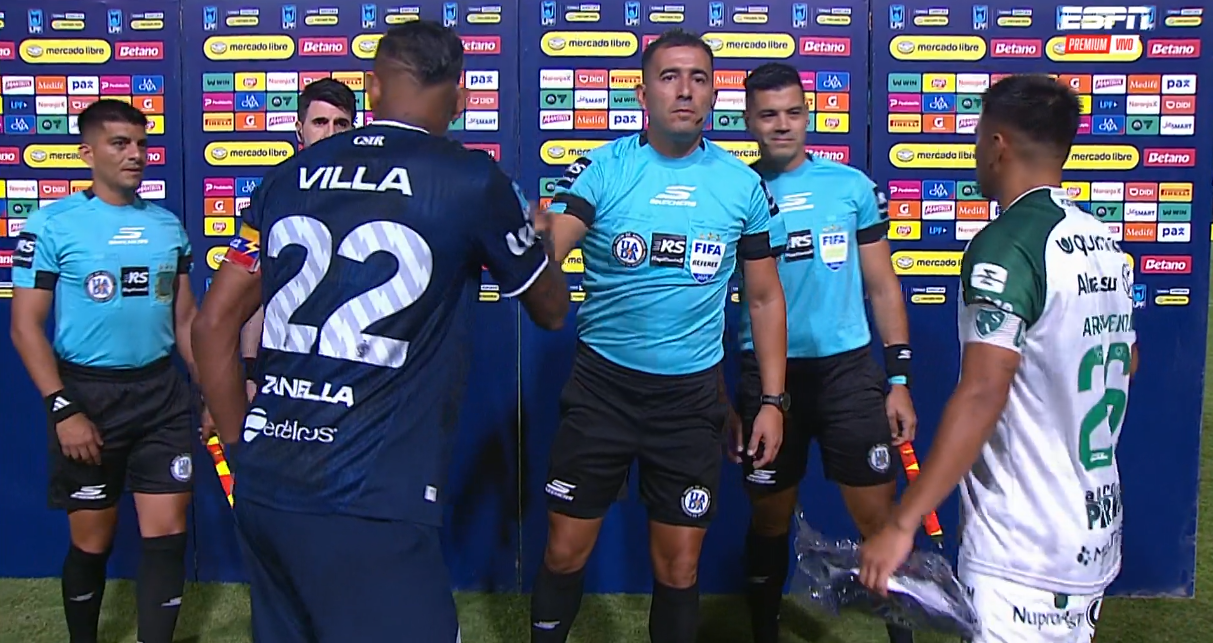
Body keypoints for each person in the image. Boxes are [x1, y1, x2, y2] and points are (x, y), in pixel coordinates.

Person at [190, 20, 568, 643]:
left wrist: (240, 450)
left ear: (371, 88)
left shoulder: (288, 177)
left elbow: (211, 326)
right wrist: (542, 241)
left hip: (268, 483)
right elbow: (550, 308)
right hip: (372, 496)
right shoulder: (473, 180)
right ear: (462, 95)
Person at [529, 29, 789, 643]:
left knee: (680, 567)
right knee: (564, 551)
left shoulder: (741, 185)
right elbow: (553, 249)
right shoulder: (602, 168)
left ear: (714, 94)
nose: (685, 90)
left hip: (689, 402)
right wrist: (539, 240)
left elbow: (764, 298)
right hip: (602, 391)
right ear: (644, 93)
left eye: (699, 78)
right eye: (670, 77)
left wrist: (773, 401)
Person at [859, 74, 1137, 643]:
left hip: (1023, 544)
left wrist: (904, 522)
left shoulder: (1007, 245)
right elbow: (1128, 361)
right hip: (1094, 525)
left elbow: (984, 391)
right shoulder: (1103, 241)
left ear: (997, 144)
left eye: (977, 135)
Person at [733, 62, 919, 643]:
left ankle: (902, 636)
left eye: (793, 112)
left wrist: (899, 378)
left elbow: (883, 285)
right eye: (768, 115)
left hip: (847, 374)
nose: (782, 125)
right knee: (769, 517)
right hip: (768, 379)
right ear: (748, 121)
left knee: (877, 519)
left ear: (808, 116)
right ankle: (764, 632)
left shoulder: (851, 187)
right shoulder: (735, 190)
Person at [9, 99, 201, 643]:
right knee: (91, 541)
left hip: (162, 395)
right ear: (87, 152)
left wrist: (209, 390)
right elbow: (25, 327)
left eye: (141, 143)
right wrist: (63, 409)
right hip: (88, 398)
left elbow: (186, 320)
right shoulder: (52, 225)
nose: (135, 154)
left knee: (167, 536)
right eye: (120, 143)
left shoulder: (167, 226)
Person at [239, 77, 358, 400]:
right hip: (287, 371)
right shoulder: (274, 192)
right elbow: (254, 289)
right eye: (320, 122)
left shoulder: (382, 194)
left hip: (358, 371)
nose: (330, 133)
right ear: (299, 129)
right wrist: (249, 369)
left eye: (341, 123)